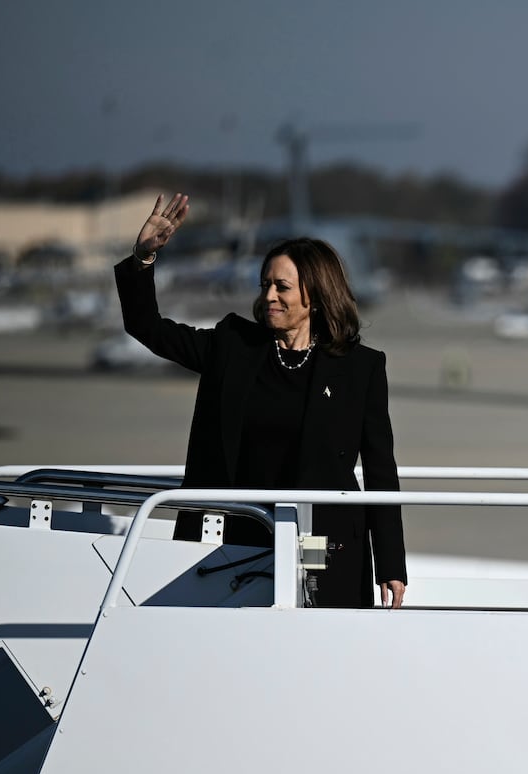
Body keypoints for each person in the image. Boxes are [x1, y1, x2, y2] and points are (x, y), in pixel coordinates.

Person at [117, 193, 407, 608]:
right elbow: (146, 327)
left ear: (316, 295)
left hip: (326, 547)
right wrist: (143, 258)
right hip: (232, 544)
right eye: (265, 284)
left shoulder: (361, 368)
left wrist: (391, 564)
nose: (269, 295)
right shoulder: (234, 346)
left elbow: (381, 469)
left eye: (282, 287)